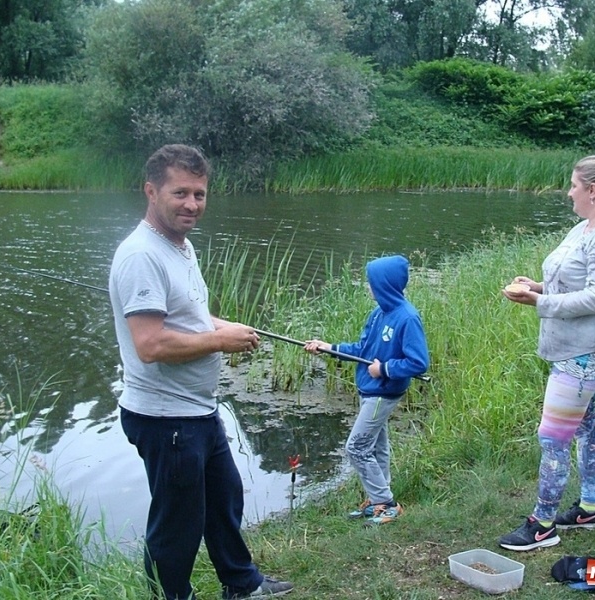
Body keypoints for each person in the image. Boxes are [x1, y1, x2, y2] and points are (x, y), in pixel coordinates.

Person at [109, 144, 293, 599]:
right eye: (180, 194)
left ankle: (241, 583)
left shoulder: (180, 246)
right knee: (177, 524)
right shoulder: (141, 256)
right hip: (165, 418)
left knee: (223, 499)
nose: (192, 204)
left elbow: (186, 315)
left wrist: (220, 324)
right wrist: (219, 341)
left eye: (200, 194)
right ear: (151, 191)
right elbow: (150, 344)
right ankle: (173, 596)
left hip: (197, 411)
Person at [498, 155, 595, 552]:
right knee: (587, 426)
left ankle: (542, 525)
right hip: (573, 348)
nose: (569, 191)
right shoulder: (585, 227)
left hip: (588, 351)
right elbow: (571, 279)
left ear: (592, 190)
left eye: (574, 185)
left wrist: (536, 303)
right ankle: (591, 508)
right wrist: (538, 287)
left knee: (553, 436)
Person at [304, 255, 430, 526]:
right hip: (369, 390)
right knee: (378, 447)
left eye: (371, 282)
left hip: (383, 393)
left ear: (385, 284)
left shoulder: (407, 318)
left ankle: (385, 503)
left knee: (357, 447)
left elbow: (418, 362)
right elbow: (362, 350)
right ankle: (379, 501)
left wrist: (383, 369)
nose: (368, 287)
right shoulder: (378, 314)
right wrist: (329, 347)